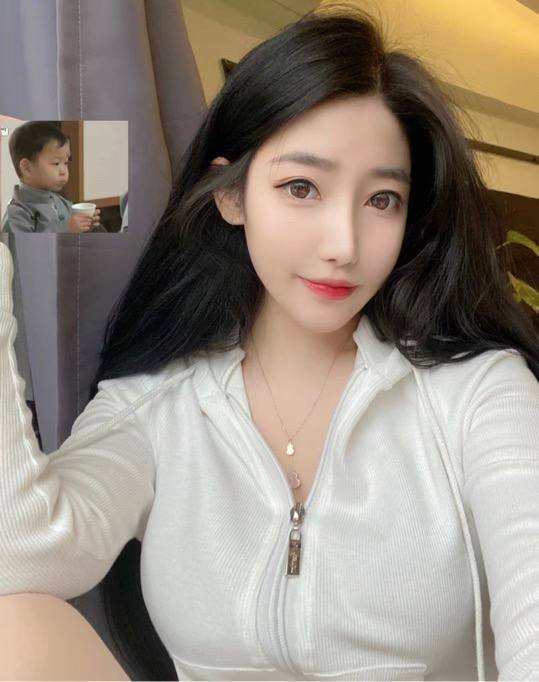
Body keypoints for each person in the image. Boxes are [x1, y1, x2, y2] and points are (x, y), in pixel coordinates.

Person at [0, 4, 538, 681]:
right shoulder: (158, 401)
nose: (343, 245)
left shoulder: (477, 392)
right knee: (13, 628)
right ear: (231, 197)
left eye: (381, 200)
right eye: (301, 187)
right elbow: (23, 556)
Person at [1, 120, 106, 234]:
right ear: (27, 168)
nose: (64, 171)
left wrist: (86, 227)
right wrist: (66, 229)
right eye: (56, 163)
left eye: (66, 163)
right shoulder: (16, 214)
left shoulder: (61, 202)